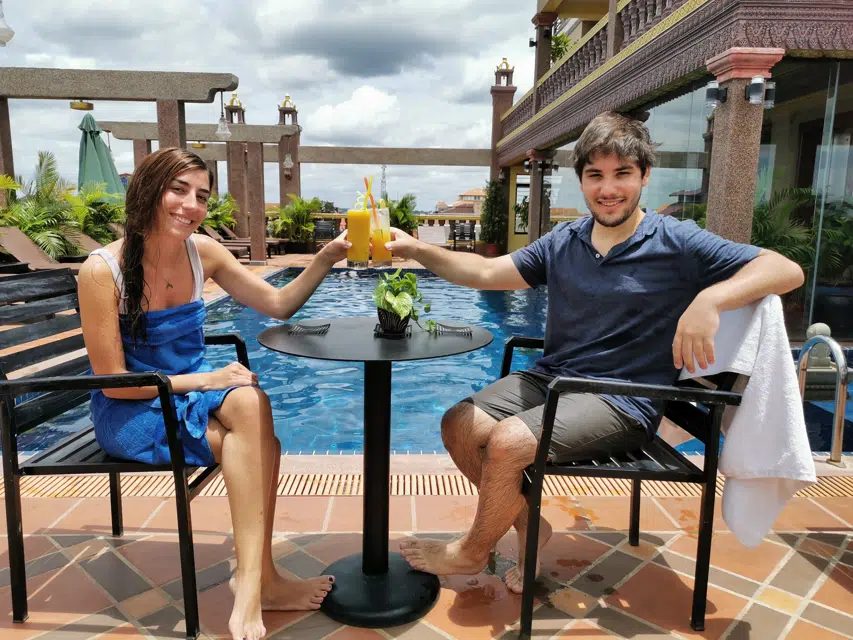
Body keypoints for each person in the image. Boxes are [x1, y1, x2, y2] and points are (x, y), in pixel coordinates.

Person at [386, 112, 805, 593]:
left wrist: (711, 299)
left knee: (507, 443)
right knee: (458, 424)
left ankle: (472, 551)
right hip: (554, 380)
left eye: (622, 173)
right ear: (582, 180)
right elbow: (485, 273)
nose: (608, 189)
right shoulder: (564, 241)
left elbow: (785, 269)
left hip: (623, 400)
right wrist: (417, 249)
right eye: (595, 175)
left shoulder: (676, 240)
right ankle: (531, 523)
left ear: (644, 176)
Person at [78, 148, 350, 640]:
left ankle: (255, 580)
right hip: (132, 408)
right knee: (260, 446)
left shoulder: (202, 251)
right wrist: (205, 380)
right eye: (178, 190)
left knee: (250, 400)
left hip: (191, 392)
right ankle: (261, 580)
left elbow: (278, 303)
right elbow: (113, 381)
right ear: (148, 190)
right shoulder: (102, 271)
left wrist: (327, 256)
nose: (192, 205)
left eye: (201, 196)